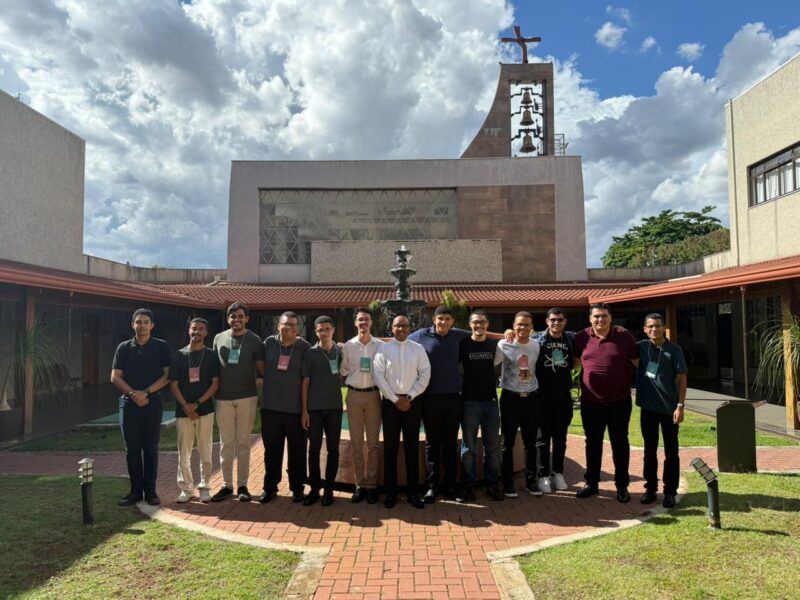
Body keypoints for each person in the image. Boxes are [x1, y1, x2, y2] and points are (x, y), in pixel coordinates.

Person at [573, 303, 639, 503]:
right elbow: (574, 363)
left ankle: (622, 486)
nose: (600, 320)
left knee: (620, 443)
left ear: (611, 318)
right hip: (590, 402)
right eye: (596, 316)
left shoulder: (624, 336)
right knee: (592, 443)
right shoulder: (581, 337)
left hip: (619, 401)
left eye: (604, 316)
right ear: (590, 318)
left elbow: (639, 363)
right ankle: (592, 483)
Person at [409, 305, 472, 503]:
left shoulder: (458, 335)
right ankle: (432, 486)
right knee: (432, 443)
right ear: (434, 319)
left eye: (447, 319)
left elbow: (481, 332)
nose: (443, 322)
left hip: (453, 397)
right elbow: (397, 339)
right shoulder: (421, 335)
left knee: (451, 443)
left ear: (452, 321)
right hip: (429, 398)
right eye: (440, 318)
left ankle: (450, 485)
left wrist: (508, 333)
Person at [111, 308, 171, 506]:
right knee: (132, 450)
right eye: (139, 322)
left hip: (152, 403)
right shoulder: (123, 348)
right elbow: (115, 376)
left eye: (146, 322)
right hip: (129, 404)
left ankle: (151, 491)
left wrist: (146, 392)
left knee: (151, 448)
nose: (142, 325)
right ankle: (135, 491)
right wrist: (133, 394)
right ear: (133, 325)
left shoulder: (161, 347)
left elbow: (168, 375)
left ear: (152, 325)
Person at [373, 314, 431, 509]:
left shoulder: (418, 349)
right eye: (397, 326)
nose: (401, 329)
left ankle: (413, 493)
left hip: (412, 403)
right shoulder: (384, 349)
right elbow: (378, 376)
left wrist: (409, 396)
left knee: (412, 448)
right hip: (391, 405)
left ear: (409, 328)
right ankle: (391, 493)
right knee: (390, 449)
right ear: (392, 328)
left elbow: (425, 375)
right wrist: (395, 398)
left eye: (404, 326)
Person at [211, 303, 265, 502]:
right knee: (226, 444)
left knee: (243, 443)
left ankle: (242, 485)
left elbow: (263, 371)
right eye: (233, 316)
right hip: (223, 398)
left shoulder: (255, 340)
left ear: (247, 319)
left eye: (241, 316)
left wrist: (253, 383)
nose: (237, 320)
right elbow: (213, 367)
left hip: (246, 398)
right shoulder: (218, 338)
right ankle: (227, 485)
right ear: (228, 319)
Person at [259, 311, 311, 504]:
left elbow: (307, 379)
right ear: (278, 326)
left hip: (295, 410)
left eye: (293, 325)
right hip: (270, 408)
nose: (289, 328)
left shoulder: (304, 347)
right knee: (271, 451)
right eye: (286, 324)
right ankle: (270, 487)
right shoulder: (269, 344)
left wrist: (305, 410)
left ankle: (297, 488)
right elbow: (259, 366)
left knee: (297, 451)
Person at [636, 313, 687, 508]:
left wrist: (680, 406)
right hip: (648, 408)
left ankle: (670, 492)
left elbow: (681, 380)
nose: (654, 329)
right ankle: (650, 488)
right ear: (645, 329)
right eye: (650, 326)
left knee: (671, 452)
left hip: (669, 409)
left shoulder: (674, 350)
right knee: (649, 450)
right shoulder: (642, 347)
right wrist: (619, 329)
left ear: (663, 328)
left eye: (658, 326)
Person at [169, 317, 220, 503]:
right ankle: (186, 489)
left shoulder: (211, 355)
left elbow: (215, 384)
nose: (196, 332)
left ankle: (205, 487)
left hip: (205, 410)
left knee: (205, 450)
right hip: (183, 412)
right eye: (194, 328)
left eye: (200, 329)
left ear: (206, 332)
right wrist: (186, 407)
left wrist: (196, 404)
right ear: (189, 330)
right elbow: (174, 385)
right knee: (184, 452)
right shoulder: (178, 356)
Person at [458, 309, 503, 502]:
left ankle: (492, 485)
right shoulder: (462, 345)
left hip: (491, 403)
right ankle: (469, 486)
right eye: (475, 322)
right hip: (469, 402)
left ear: (487, 324)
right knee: (468, 448)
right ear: (470, 324)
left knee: (492, 448)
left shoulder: (494, 346)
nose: (479, 325)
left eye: (482, 322)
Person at [340, 308, 384, 504]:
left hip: (374, 396)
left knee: (373, 444)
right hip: (354, 396)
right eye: (360, 320)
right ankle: (360, 484)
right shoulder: (348, 346)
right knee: (356, 444)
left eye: (366, 319)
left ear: (371, 322)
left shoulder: (380, 346)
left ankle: (372, 485)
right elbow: (344, 370)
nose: (363, 323)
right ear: (355, 323)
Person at [495, 311, 541, 498]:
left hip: (531, 398)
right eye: (519, 324)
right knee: (508, 443)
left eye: (526, 324)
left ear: (532, 328)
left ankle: (531, 482)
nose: (523, 327)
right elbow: (489, 364)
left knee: (531, 443)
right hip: (510, 398)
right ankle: (508, 483)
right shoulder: (504, 344)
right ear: (514, 326)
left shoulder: (536, 345)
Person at [301, 316, 343, 507]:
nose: (324, 333)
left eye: (327, 329)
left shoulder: (340, 351)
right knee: (314, 450)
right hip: (314, 409)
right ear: (316, 332)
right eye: (320, 330)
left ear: (333, 330)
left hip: (334, 408)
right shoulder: (310, 353)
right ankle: (315, 488)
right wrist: (304, 411)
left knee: (333, 449)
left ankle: (329, 489)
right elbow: (305, 382)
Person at [533, 308, 576, 493]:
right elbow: (517, 335)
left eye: (559, 319)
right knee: (542, 438)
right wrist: (510, 332)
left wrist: (618, 329)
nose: (556, 323)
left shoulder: (572, 338)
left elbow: (595, 332)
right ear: (547, 321)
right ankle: (543, 475)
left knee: (560, 438)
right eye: (553, 320)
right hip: (542, 396)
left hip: (563, 397)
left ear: (565, 321)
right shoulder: (536, 338)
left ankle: (558, 472)